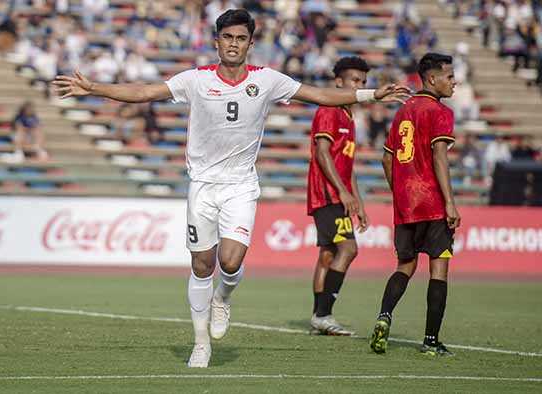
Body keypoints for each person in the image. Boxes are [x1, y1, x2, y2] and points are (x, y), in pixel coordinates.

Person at [53, 9, 409, 368]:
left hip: (240, 186)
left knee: (230, 261)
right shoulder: (196, 79)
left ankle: (223, 298)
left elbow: (319, 95)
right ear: (217, 41)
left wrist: (370, 96)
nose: (233, 44)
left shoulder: (268, 80)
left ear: (251, 44)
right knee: (202, 264)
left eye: (240, 38)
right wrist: (93, 87)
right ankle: (200, 344)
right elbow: (145, 91)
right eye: (227, 37)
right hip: (203, 186)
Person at [369, 53, 461, 357]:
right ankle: (431, 342)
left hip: (406, 203)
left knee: (405, 266)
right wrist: (449, 202)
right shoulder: (439, 111)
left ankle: (384, 316)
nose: (454, 81)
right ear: (432, 79)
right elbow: (438, 156)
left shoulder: (404, 110)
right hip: (433, 201)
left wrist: (400, 192)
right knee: (439, 269)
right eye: (449, 76)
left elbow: (386, 157)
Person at [307, 56, 371, 336]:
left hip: (339, 194)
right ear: (339, 82)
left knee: (328, 255)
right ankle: (324, 314)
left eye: (363, 82)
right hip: (327, 194)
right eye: (355, 81)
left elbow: (348, 164)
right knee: (349, 249)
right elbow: (322, 153)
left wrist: (359, 202)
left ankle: (318, 316)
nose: (359, 86)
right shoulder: (329, 110)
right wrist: (343, 193)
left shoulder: (349, 116)